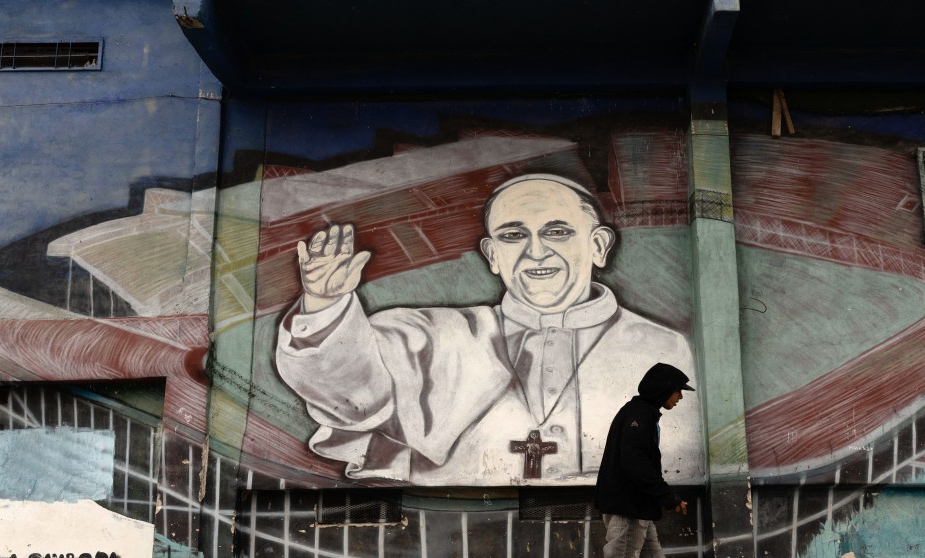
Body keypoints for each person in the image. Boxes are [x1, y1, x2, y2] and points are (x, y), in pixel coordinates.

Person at [275, 174, 704, 486]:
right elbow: (353, 390)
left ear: (598, 246)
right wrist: (325, 305)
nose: (536, 252)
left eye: (557, 232)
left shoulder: (659, 347)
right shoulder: (434, 336)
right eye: (514, 235)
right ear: (492, 254)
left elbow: (679, 462)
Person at [592, 362, 727, 558]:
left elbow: (638, 463)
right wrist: (666, 496)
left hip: (639, 508)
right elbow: (635, 462)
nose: (680, 397)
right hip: (628, 508)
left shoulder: (643, 414)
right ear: (663, 389)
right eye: (678, 391)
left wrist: (662, 499)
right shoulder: (638, 415)